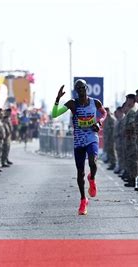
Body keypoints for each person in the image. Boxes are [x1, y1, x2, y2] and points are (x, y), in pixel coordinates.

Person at [52, 79, 107, 215]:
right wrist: (57, 99)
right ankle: (83, 200)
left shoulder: (95, 102)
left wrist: (99, 123)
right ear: (76, 91)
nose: (81, 91)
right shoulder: (72, 103)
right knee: (80, 172)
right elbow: (54, 114)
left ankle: (92, 178)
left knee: (93, 163)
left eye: (83, 88)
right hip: (79, 141)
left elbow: (104, 113)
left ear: (86, 88)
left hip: (91, 137)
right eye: (78, 89)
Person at [123, 94, 138, 188]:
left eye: (129, 100)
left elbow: (132, 125)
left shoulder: (132, 111)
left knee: (133, 160)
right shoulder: (130, 112)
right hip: (129, 139)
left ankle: (133, 179)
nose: (127, 102)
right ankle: (131, 177)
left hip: (132, 139)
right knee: (129, 159)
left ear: (133, 101)